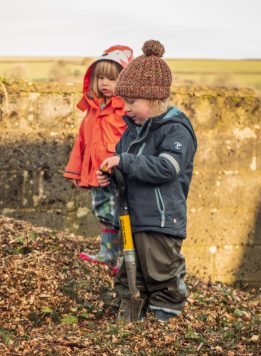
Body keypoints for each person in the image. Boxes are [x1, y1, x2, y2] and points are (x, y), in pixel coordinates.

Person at [97, 40, 197, 321]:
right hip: (131, 218)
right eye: (123, 101)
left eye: (131, 102)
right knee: (130, 273)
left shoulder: (175, 131)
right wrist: (110, 176)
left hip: (161, 220)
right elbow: (125, 171)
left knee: (161, 272)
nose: (125, 108)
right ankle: (131, 323)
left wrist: (125, 162)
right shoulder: (130, 134)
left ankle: (166, 321)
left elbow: (167, 167)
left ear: (154, 99)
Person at [63, 45, 133, 271]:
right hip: (97, 174)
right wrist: (75, 170)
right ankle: (107, 254)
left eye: (112, 79)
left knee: (124, 216)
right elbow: (82, 142)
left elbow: (135, 143)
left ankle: (126, 259)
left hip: (120, 175)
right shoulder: (92, 109)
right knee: (103, 212)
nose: (104, 83)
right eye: (101, 77)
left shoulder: (127, 111)